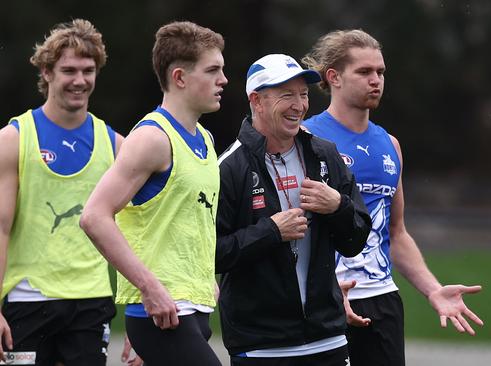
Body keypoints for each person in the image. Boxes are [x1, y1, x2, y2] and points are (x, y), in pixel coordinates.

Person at [302, 29, 484, 366]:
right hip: (326, 300)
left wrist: (433, 290)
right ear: (334, 77)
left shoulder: (390, 145)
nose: (376, 80)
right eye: (364, 72)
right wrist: (321, 289)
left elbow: (397, 233)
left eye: (380, 72)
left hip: (382, 300)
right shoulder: (306, 138)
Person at [80, 21, 227, 365]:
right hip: (162, 314)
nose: (224, 80)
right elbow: (94, 216)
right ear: (179, 77)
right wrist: (148, 289)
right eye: (213, 70)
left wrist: (206, 279)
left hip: (195, 308)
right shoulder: (151, 138)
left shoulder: (204, 138)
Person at [216, 53, 371, 365]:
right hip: (261, 345)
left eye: (303, 94)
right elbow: (211, 254)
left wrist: (337, 206)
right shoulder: (229, 167)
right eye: (287, 95)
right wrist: (271, 232)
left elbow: (355, 241)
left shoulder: (325, 155)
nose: (299, 105)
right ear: (257, 101)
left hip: (328, 338)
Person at [0, 19, 121, 365]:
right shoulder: (14, 139)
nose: (80, 81)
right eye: (69, 70)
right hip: (27, 300)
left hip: (91, 302)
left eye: (88, 70)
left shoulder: (116, 145)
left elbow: (137, 232)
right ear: (47, 71)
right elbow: (1, 228)